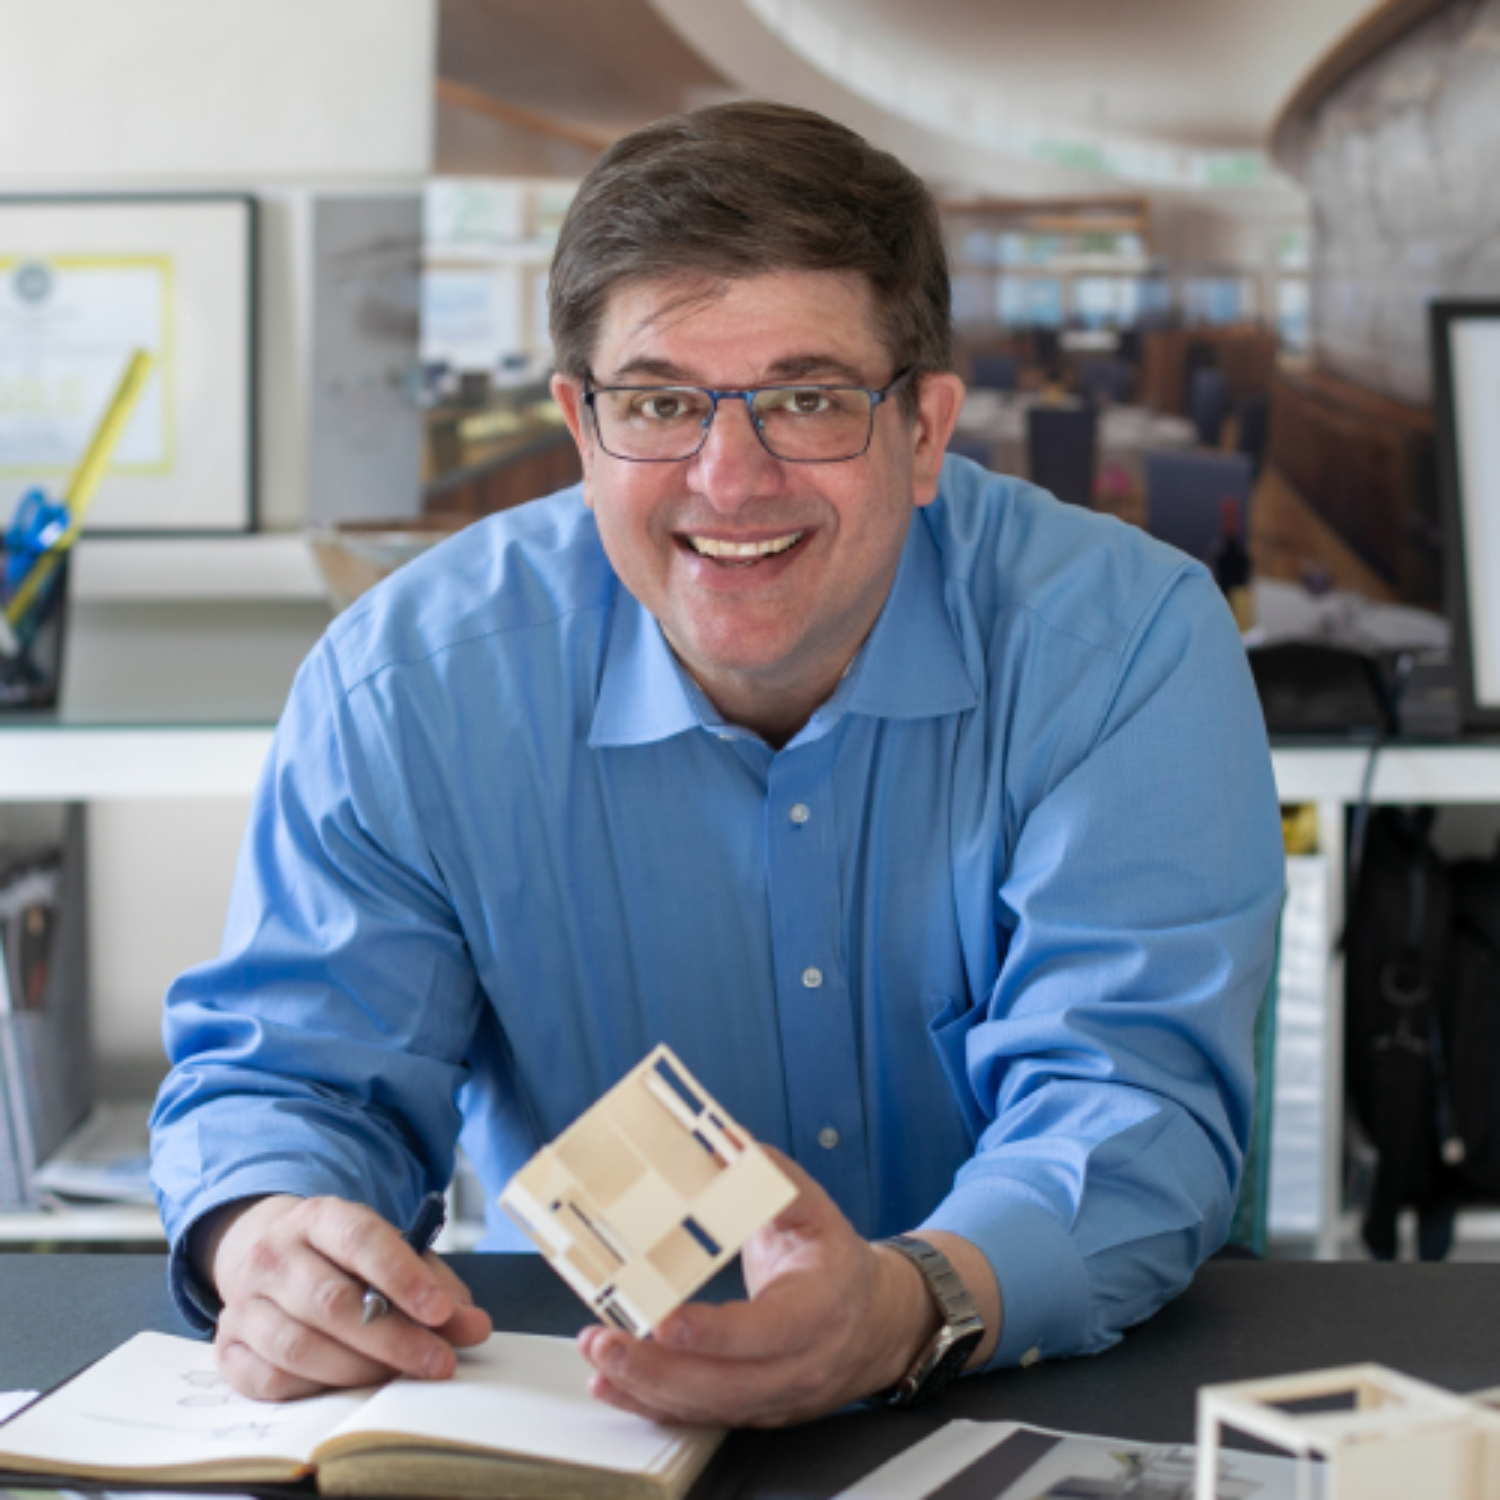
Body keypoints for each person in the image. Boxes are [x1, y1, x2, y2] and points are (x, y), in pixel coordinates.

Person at [150, 101, 1284, 1427]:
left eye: (808, 399)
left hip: (1033, 1384)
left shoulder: (1125, 646)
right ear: (580, 422)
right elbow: (297, 1075)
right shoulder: (406, 682)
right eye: (661, 402)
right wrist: (271, 1234)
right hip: (595, 1404)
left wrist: (906, 1304)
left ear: (924, 431)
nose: (729, 478)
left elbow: (1127, 1104)